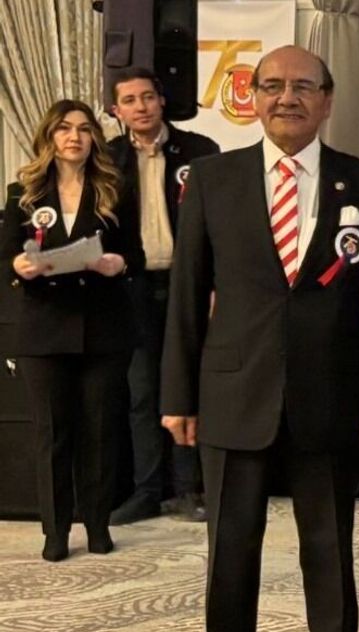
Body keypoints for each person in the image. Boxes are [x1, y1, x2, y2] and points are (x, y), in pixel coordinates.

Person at [159, 45, 359, 632]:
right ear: (253, 98)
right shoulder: (213, 180)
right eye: (271, 86)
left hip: (333, 399)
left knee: (329, 558)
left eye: (302, 86)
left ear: (327, 100)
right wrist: (177, 396)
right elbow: (186, 296)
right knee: (230, 558)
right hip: (234, 395)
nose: (286, 97)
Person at [1, 99, 141, 561]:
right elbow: (6, 258)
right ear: (49, 136)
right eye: (64, 128)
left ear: (94, 138)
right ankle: (55, 532)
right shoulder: (21, 193)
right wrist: (19, 266)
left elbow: (135, 256)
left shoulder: (114, 189)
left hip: (103, 327)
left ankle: (98, 525)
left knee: (99, 431)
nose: (74, 137)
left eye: (83, 128)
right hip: (43, 329)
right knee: (52, 433)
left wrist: (118, 263)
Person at [108, 65, 220, 525]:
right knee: (141, 392)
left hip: (187, 283)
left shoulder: (199, 151)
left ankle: (189, 488)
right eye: (130, 100)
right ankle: (147, 491)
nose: (141, 107)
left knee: (188, 386)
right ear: (116, 111)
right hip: (131, 287)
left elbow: (220, 226)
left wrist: (217, 284)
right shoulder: (108, 158)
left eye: (148, 97)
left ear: (162, 101)